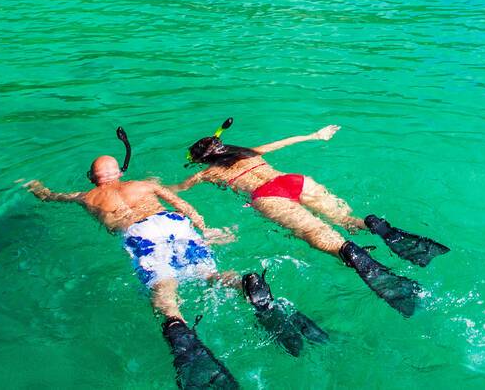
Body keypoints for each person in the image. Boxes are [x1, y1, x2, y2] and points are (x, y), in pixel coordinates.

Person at [28, 149, 328, 390]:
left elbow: (50, 195)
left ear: (92, 178)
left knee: (163, 286)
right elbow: (181, 205)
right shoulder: (145, 184)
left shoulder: (86, 196)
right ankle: (243, 285)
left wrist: (35, 186)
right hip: (173, 224)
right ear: (120, 171)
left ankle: (176, 324)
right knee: (209, 275)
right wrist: (205, 228)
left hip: (140, 235)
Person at [178, 119, 449, 317]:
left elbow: (177, 191)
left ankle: (350, 253)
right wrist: (316, 135)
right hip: (292, 181)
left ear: (203, 160)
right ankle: (373, 226)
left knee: (318, 235)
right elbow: (284, 142)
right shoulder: (249, 152)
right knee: (346, 220)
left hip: (267, 196)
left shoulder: (207, 174)